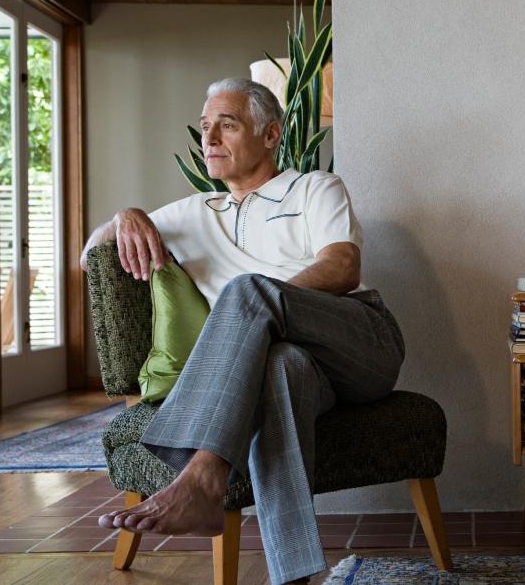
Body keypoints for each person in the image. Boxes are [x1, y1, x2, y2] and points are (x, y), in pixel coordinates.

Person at [81, 78, 404, 584]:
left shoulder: (314, 188)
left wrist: (265, 310)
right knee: (282, 368)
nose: (209, 139)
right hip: (296, 366)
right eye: (205, 128)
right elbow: (92, 254)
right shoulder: (193, 213)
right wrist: (127, 217)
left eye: (226, 126)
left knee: (247, 290)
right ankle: (292, 574)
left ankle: (204, 473)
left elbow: (342, 268)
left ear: (270, 133)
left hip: (360, 344)